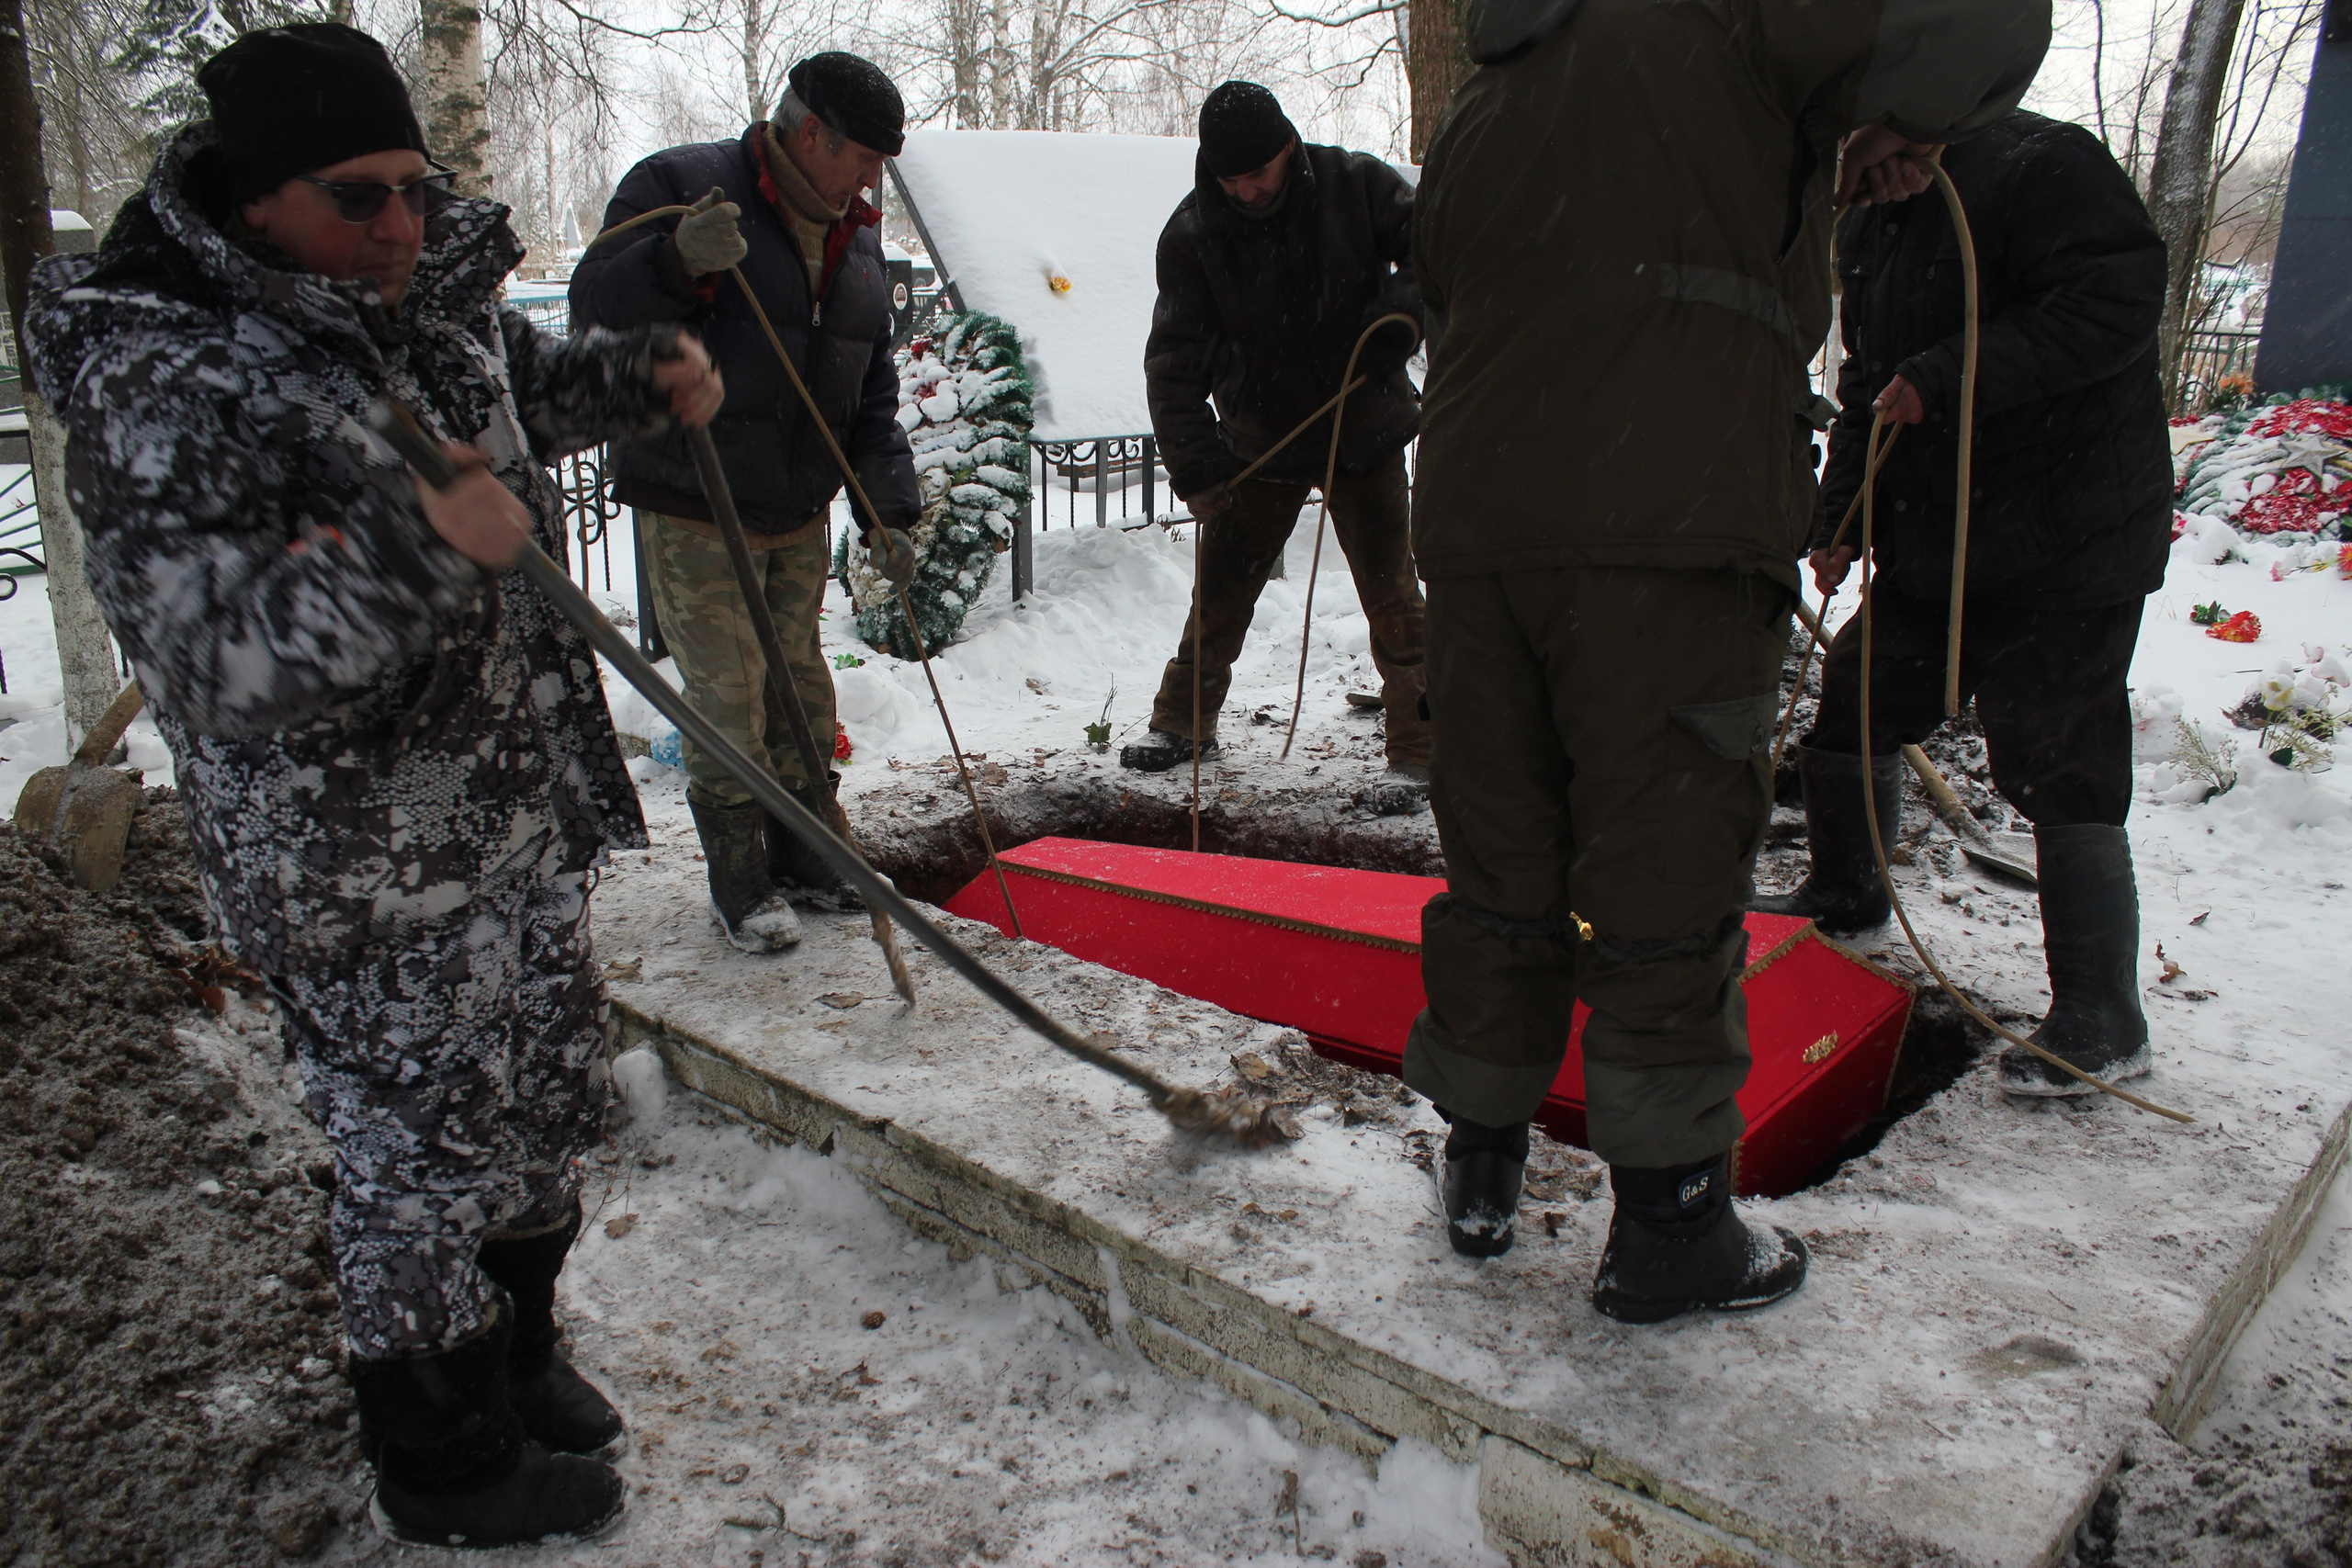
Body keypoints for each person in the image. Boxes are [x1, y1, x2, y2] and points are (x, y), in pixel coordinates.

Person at [23, 24, 725, 1546]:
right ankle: (442, 1455)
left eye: (415, 186)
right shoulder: (165, 365)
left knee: (538, 1098)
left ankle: (519, 1356)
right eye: (359, 194)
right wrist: (418, 546)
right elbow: (214, 662)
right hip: (347, 853)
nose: (401, 222)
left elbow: (516, 380)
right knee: (416, 1151)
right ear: (255, 197)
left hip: (497, 794)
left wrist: (632, 371)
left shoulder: (410, 290)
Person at [1403, 0, 2052, 1322]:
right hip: (1668, 516)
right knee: (1663, 869)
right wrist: (1895, 120)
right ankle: (1672, 1224)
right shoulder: (1734, 12)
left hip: (1480, 533)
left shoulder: (1492, 87)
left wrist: (1833, 131)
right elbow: (1992, 13)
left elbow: (1459, 285)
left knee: (1502, 867)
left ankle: (1480, 1163)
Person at [1752, 110, 2171, 1100]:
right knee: (1855, 702)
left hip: (2067, 535)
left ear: (1906, 126)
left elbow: (2116, 302)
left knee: (2057, 756)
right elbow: (1864, 384)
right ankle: (1848, 891)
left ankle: (2102, 1015)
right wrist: (1842, 512)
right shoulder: (1869, 227)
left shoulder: (2044, 165)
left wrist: (1944, 377)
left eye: (1861, 167)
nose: (1855, 191)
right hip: (1939, 539)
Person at [571, 52, 921, 953]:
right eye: (864, 157)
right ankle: (740, 877)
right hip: (699, 497)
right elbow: (594, 310)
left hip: (796, 504)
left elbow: (867, 385)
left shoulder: (859, 238)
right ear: (812, 134)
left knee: (801, 689)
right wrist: (676, 265)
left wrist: (888, 505)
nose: (872, 179)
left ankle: (807, 853)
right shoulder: (682, 188)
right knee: (728, 694)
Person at [1122, 81, 1428, 781]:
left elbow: (1436, 246)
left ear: (1289, 148)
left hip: (1366, 431)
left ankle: (1420, 747)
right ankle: (1182, 723)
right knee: (1221, 593)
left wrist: (1398, 315)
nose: (1248, 192)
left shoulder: (1355, 187)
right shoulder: (1195, 233)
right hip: (1260, 441)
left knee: (1395, 600)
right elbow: (1173, 363)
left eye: (1259, 175)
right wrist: (1197, 468)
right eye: (1231, 180)